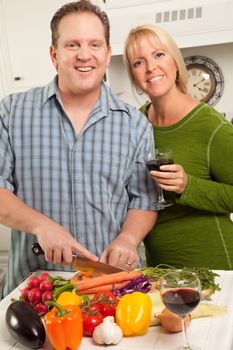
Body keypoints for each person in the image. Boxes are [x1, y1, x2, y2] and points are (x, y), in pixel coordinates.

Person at [0, 1, 158, 297]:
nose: (84, 55)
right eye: (72, 44)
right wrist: (41, 225)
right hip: (34, 290)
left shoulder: (135, 124)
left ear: (108, 53)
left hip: (109, 290)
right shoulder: (12, 111)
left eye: (94, 44)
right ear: (54, 54)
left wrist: (127, 238)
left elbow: (144, 200)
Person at [123, 24, 233, 269]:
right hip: (159, 270)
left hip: (213, 266)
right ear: (134, 76)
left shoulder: (210, 125)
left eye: (159, 55)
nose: (151, 67)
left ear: (175, 62)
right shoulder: (135, 125)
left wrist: (188, 186)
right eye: (138, 62)